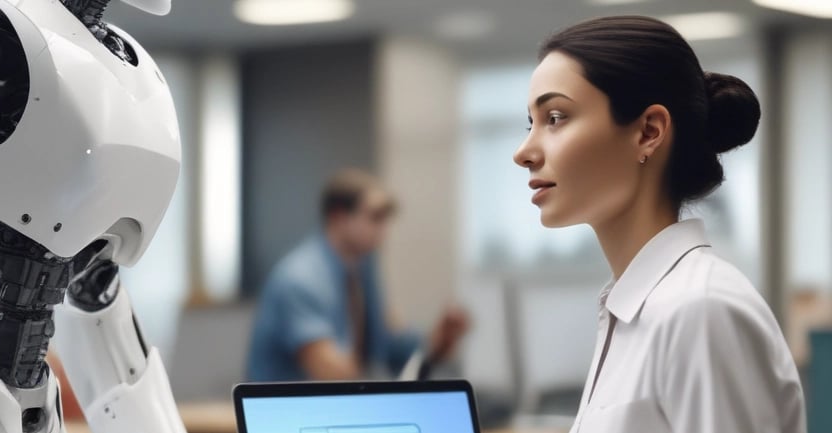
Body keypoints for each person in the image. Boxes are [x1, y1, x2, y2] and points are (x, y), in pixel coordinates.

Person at [513, 16, 805, 433]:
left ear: (648, 132)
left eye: (556, 117)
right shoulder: (637, 307)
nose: (523, 152)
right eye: (531, 123)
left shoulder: (700, 310)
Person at [247, 169, 469, 382]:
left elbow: (391, 348)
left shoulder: (361, 271)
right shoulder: (299, 280)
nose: (383, 229)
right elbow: (333, 374)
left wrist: (439, 341)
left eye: (385, 219)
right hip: (289, 415)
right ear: (338, 217)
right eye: (375, 218)